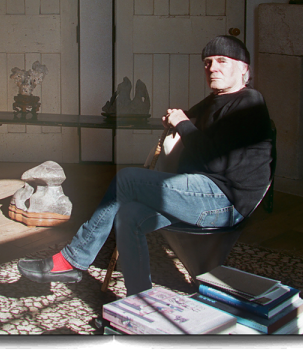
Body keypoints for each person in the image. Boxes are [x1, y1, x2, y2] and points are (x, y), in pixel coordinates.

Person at [16, 35, 273, 296]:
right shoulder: (216, 99)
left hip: (224, 202)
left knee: (126, 179)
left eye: (222, 61)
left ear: (244, 68)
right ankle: (138, 298)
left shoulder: (249, 103)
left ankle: (72, 260)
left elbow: (216, 161)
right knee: (129, 216)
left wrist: (182, 123)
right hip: (203, 194)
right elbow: (186, 116)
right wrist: (174, 118)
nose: (212, 68)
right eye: (207, 62)